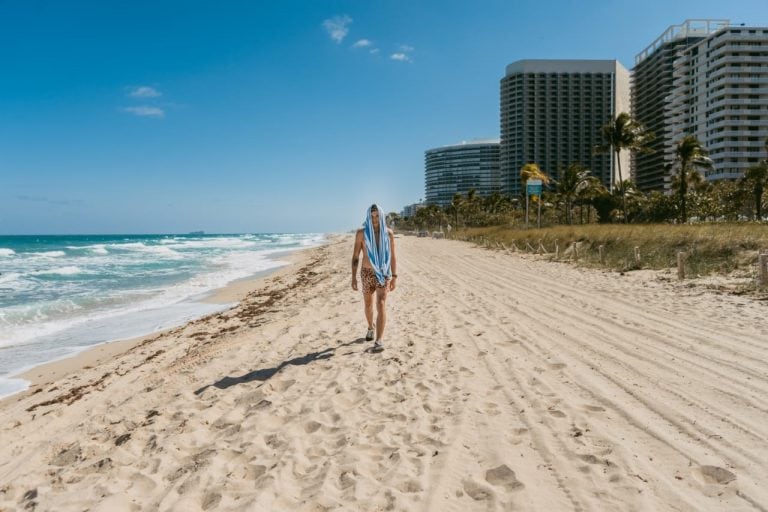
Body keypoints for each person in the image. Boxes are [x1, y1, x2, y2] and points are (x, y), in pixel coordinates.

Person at [351, 204, 397, 351]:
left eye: (377, 216)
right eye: (372, 216)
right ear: (368, 217)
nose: (375, 219)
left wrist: (394, 275)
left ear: (382, 216)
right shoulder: (361, 233)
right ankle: (370, 327)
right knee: (368, 304)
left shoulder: (388, 234)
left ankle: (379, 340)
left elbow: (393, 256)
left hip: (383, 272)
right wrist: (353, 277)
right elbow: (356, 256)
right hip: (366, 272)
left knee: (381, 303)